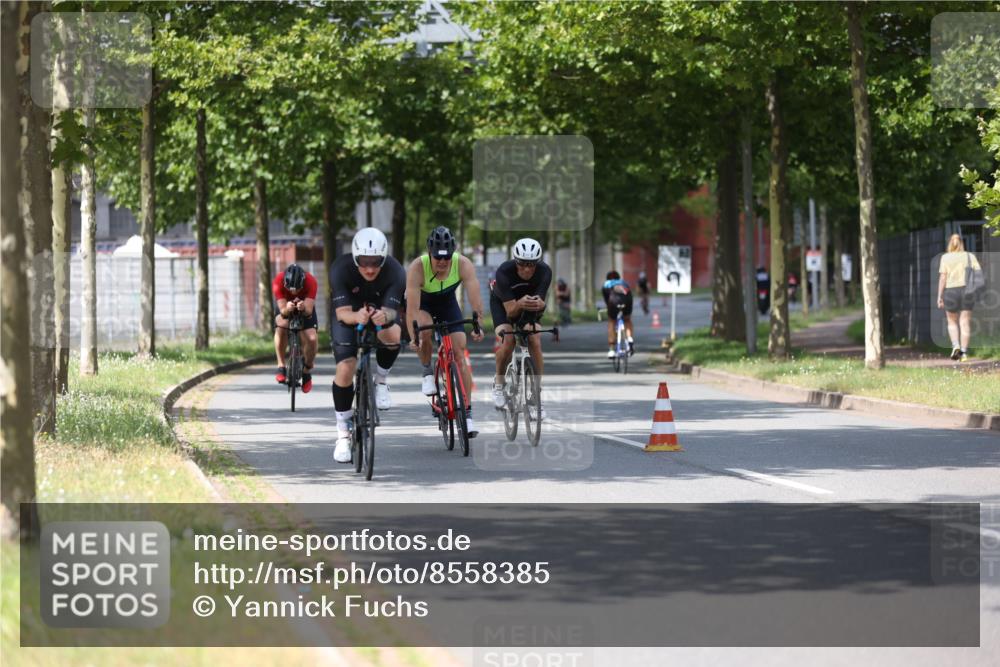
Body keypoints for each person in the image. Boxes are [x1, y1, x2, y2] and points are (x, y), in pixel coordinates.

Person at [329, 228, 406, 463]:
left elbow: (393, 311)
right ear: (355, 258)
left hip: (381, 314)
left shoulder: (395, 271)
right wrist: (357, 317)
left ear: (384, 259)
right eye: (364, 262)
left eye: (376, 262)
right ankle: (343, 432)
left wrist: (384, 316)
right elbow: (342, 314)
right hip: (351, 316)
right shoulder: (340, 269)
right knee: (346, 366)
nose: (370, 269)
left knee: (393, 335)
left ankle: (381, 381)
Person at [405, 226, 485, 437]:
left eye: (446, 258)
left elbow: (475, 297)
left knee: (459, 352)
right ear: (429, 252)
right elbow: (412, 309)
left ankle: (467, 414)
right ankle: (427, 371)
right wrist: (412, 336)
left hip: (448, 304)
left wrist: (478, 324)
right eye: (437, 258)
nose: (442, 262)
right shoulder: (417, 267)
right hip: (424, 304)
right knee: (424, 332)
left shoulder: (463, 264)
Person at [490, 238, 552, 420]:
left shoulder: (545, 271)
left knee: (534, 339)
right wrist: (520, 303)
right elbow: (510, 311)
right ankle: (499, 384)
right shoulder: (504, 271)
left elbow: (540, 302)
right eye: (523, 264)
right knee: (508, 341)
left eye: (531, 265)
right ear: (515, 261)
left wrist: (540, 305)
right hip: (503, 304)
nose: (527, 269)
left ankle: (536, 395)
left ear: (537, 263)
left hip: (529, 306)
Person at [273, 264, 319, 393]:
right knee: (281, 327)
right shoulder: (278, 281)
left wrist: (303, 308)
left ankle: (306, 371)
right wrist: (287, 309)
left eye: (297, 289)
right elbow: (282, 312)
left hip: (304, 305)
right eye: (290, 289)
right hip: (285, 305)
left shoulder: (311, 282)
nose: (294, 292)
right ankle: (281, 365)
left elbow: (309, 311)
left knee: (312, 337)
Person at [937, 233, 983, 362]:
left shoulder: (945, 258)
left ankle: (955, 346)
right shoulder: (970, 256)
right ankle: (963, 352)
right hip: (967, 291)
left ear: (950, 243)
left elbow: (943, 277)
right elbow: (979, 273)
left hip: (951, 292)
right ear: (962, 243)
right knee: (965, 322)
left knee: (952, 322)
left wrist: (940, 296)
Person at [602, 270, 634, 358]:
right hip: (627, 300)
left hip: (613, 301)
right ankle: (630, 339)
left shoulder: (606, 284)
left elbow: (606, 300)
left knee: (612, 321)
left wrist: (609, 309)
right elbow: (630, 294)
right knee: (627, 320)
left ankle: (612, 349)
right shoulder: (624, 283)